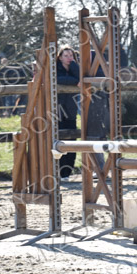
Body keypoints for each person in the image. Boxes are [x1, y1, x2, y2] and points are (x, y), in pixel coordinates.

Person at [56, 46, 80, 181]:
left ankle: (67, 172)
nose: (69, 58)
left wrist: (74, 66)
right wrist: (75, 82)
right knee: (58, 140)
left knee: (71, 141)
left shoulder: (74, 68)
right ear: (60, 57)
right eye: (66, 56)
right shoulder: (56, 68)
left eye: (71, 55)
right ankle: (59, 171)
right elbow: (58, 79)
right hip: (57, 110)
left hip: (71, 110)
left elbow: (81, 77)